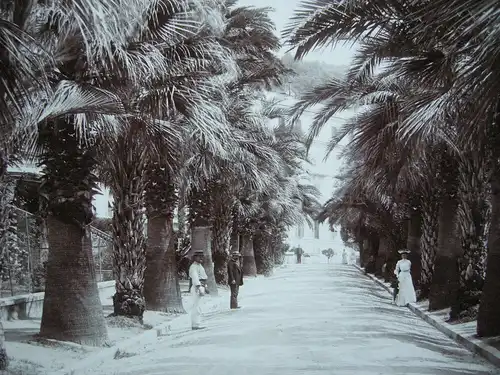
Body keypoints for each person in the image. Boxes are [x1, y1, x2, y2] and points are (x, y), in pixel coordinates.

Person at [188, 250, 208, 330]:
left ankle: (197, 323)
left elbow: (203, 277)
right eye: (199, 257)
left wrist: (205, 286)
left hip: (201, 285)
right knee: (196, 307)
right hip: (197, 287)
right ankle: (195, 325)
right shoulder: (193, 267)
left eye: (202, 257)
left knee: (198, 306)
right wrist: (199, 287)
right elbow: (195, 278)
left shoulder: (199, 266)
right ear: (195, 257)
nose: (201, 258)